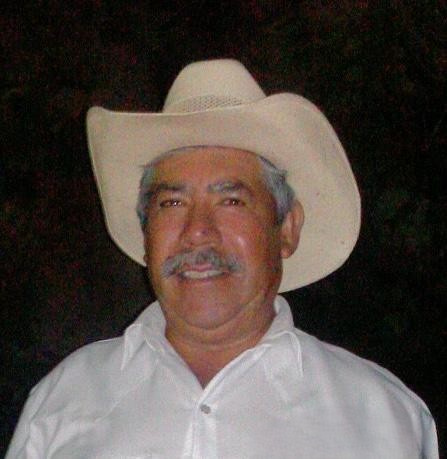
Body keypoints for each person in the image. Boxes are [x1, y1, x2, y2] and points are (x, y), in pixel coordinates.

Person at [7, 59, 438, 458]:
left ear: (287, 228)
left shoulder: (379, 417)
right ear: (146, 233)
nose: (197, 231)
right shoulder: (65, 400)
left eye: (231, 201)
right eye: (172, 204)